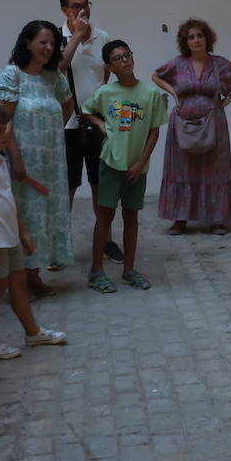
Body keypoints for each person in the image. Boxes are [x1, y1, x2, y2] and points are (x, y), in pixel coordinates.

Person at [0, 101, 67, 358]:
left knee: (18, 284)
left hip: (8, 236)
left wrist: (24, 232)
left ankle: (33, 332)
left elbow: (10, 199)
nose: (6, 133)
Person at [0, 20, 74, 297]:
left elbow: (68, 103)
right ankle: (18, 279)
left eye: (53, 43)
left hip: (51, 161)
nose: (49, 48)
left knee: (46, 217)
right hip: (22, 162)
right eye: (43, 42)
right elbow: (3, 121)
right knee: (24, 216)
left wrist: (51, 131)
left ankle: (34, 275)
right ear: (27, 43)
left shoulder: (53, 76)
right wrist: (15, 157)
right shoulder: (11, 74)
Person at [82, 40, 168, 293]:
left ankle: (129, 269)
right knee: (105, 217)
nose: (125, 61)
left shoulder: (150, 94)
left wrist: (141, 163)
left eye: (127, 55)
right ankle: (96, 271)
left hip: (136, 168)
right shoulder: (106, 93)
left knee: (131, 218)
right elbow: (87, 110)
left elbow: (154, 132)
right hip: (111, 163)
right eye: (118, 58)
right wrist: (102, 127)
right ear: (109, 66)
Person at [152, 18, 231, 235]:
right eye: (191, 37)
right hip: (182, 124)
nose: (196, 40)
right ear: (185, 42)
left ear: (207, 38)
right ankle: (180, 218)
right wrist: (173, 91)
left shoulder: (219, 64)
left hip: (214, 123)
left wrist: (229, 98)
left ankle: (216, 219)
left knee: (214, 169)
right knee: (181, 168)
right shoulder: (178, 63)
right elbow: (156, 75)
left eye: (200, 35)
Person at [57, 0, 124, 264]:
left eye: (86, 4)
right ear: (64, 9)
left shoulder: (103, 36)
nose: (82, 10)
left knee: (101, 184)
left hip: (96, 123)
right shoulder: (55, 38)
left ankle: (106, 239)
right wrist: (77, 37)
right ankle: (59, 246)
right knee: (68, 187)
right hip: (67, 125)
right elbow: (57, 70)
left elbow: (105, 75)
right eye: (76, 5)